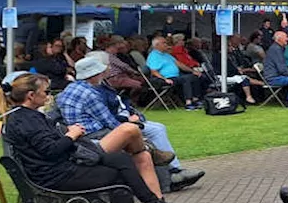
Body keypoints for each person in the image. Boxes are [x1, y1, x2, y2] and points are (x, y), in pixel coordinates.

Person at [2, 74, 188, 203]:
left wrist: (67, 132)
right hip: (55, 176)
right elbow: (51, 150)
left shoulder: (24, 116)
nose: (49, 95)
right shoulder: (28, 120)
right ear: (30, 95)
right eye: (45, 92)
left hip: (57, 169)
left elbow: (47, 146)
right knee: (118, 176)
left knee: (120, 160)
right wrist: (71, 135)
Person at [58, 55, 206, 195]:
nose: (104, 72)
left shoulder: (71, 89)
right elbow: (110, 122)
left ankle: (170, 172)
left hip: (84, 132)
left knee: (149, 132)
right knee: (143, 141)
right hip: (93, 134)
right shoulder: (91, 93)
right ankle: (167, 178)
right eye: (101, 71)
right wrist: (130, 124)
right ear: (94, 74)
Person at [146, 36, 204, 110]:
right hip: (163, 79)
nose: (166, 45)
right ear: (157, 45)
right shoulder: (153, 56)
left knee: (195, 76)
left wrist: (193, 71)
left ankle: (195, 99)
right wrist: (164, 79)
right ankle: (188, 103)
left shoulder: (166, 55)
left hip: (175, 77)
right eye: (164, 43)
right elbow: (153, 71)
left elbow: (179, 64)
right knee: (186, 79)